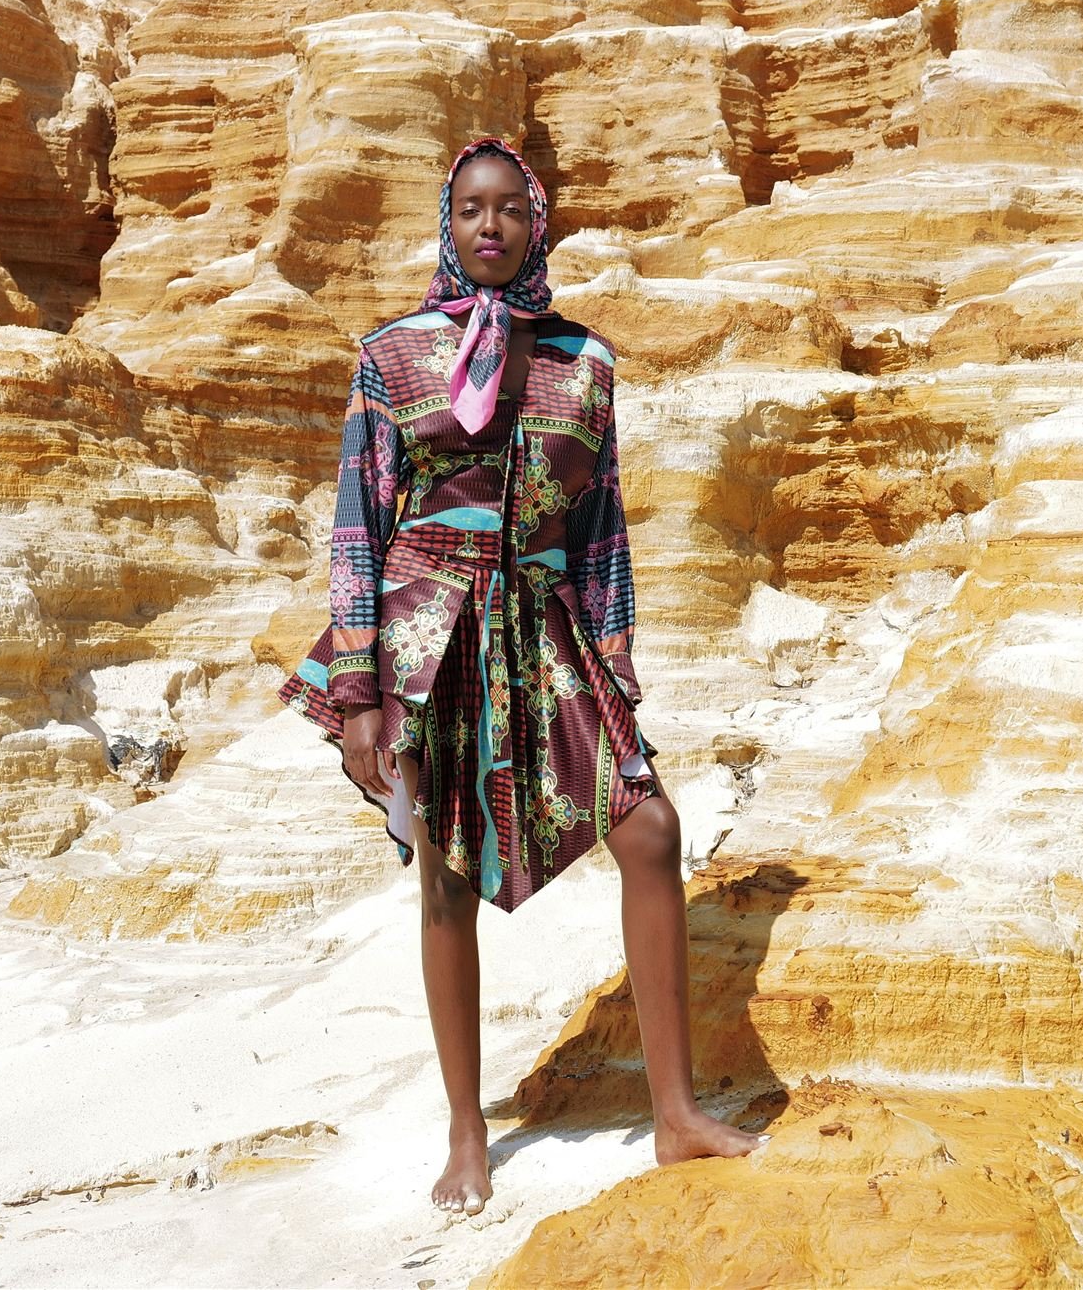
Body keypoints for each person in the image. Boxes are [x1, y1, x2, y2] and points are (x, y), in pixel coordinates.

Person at [276, 135, 766, 1214]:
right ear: (445, 228)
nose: (487, 226)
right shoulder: (392, 354)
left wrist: (616, 659)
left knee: (648, 827)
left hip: (544, 621)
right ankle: (465, 1130)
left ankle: (676, 1116)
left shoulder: (583, 359)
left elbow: (600, 529)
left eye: (506, 209)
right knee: (443, 871)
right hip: (426, 629)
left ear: (536, 224)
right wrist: (357, 685)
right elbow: (359, 526)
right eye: (467, 211)